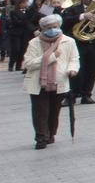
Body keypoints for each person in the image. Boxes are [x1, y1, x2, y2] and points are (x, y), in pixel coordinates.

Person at [22, 13, 80, 149]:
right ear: (42, 29)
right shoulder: (34, 42)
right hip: (38, 82)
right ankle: (41, 137)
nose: (52, 30)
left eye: (55, 26)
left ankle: (51, 133)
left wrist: (73, 69)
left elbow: (74, 58)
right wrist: (51, 56)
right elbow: (29, 63)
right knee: (40, 111)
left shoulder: (68, 41)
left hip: (59, 81)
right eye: (48, 27)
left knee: (54, 111)